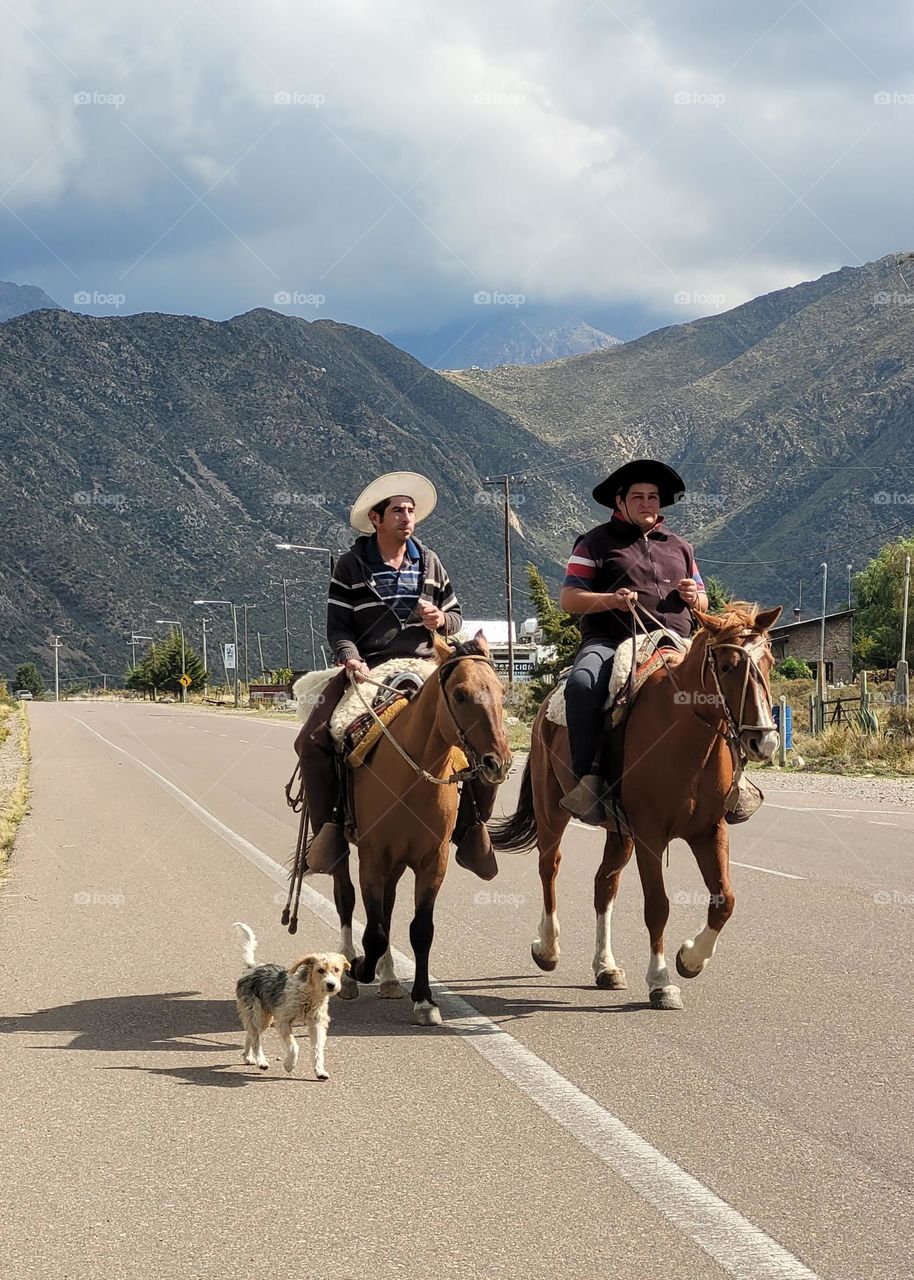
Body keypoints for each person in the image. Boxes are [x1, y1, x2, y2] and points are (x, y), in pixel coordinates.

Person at [297, 471, 499, 879]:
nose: (407, 517)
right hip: (368, 666)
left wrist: (442, 619)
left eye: (410, 510)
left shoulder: (431, 562)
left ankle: (472, 825)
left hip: (426, 664)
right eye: (398, 511)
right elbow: (338, 626)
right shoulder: (351, 566)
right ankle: (330, 831)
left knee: (482, 728)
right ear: (376, 518)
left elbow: (456, 616)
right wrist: (350, 658)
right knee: (314, 739)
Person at [558, 459, 709, 824]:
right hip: (611, 641)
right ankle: (589, 779)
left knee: (726, 684)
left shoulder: (681, 548)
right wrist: (611, 600)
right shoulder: (593, 542)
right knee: (581, 685)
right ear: (619, 502)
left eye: (654, 497)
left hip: (676, 642)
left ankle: (733, 779)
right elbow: (569, 600)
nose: (648, 504)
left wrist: (695, 597)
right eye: (639, 496)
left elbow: (704, 601)